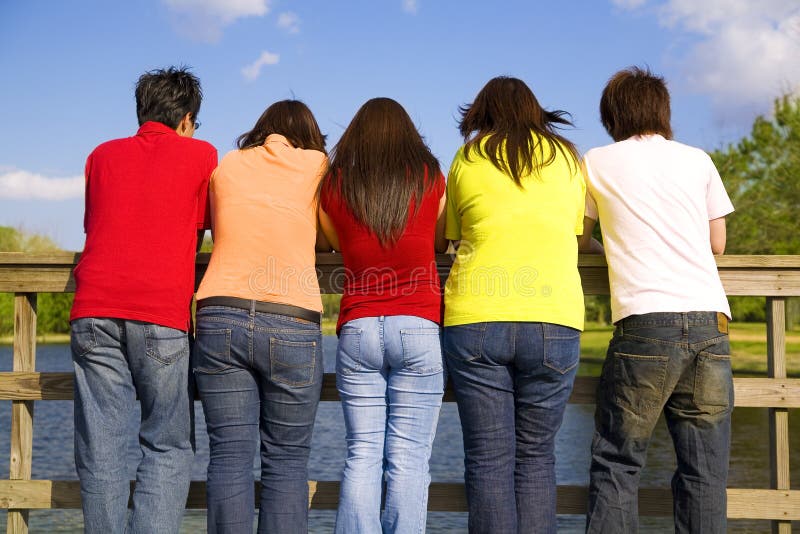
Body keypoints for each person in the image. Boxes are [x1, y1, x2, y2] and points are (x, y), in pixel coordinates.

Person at [580, 67, 734, 534]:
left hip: (645, 322)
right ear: (663, 111)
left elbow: (579, 238)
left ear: (612, 115)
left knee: (618, 462)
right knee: (704, 473)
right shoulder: (698, 159)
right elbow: (718, 243)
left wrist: (612, 249)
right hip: (711, 320)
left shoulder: (597, 161)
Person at [70, 66, 216, 533]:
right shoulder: (202, 155)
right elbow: (205, 226)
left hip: (93, 308)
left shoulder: (100, 156)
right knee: (168, 447)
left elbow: (97, 225)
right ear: (187, 119)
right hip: (161, 315)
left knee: (102, 450)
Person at [442, 76, 588, 534]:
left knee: (488, 459)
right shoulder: (568, 159)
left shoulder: (468, 157)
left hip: (476, 315)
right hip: (554, 316)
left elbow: (452, 235)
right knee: (537, 456)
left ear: (481, 112)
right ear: (535, 110)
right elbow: (578, 232)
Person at [192, 100, 328, 533]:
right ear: (308, 135)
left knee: (229, 455)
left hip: (219, 313)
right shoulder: (318, 166)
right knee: (286, 461)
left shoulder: (228, 165)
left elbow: (221, 227)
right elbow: (325, 232)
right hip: (291, 315)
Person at [317, 97, 448, 534]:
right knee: (410, 458)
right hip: (418, 324)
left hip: (357, 328)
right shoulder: (431, 179)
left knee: (363, 453)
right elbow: (439, 239)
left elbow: (332, 243)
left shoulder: (334, 187)